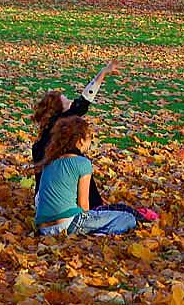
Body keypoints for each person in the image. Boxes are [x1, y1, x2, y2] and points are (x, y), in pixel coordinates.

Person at [32, 60, 120, 207]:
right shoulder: (64, 123)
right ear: (60, 109)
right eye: (67, 101)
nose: (71, 101)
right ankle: (95, 204)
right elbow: (85, 99)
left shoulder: (41, 139)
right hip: (58, 199)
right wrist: (103, 73)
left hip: (41, 198)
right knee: (79, 163)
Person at [35, 116, 137, 236]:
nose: (90, 142)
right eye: (90, 137)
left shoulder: (49, 162)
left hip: (43, 229)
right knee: (128, 218)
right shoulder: (82, 163)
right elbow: (84, 206)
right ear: (81, 140)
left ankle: (95, 231)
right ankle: (99, 234)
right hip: (69, 224)